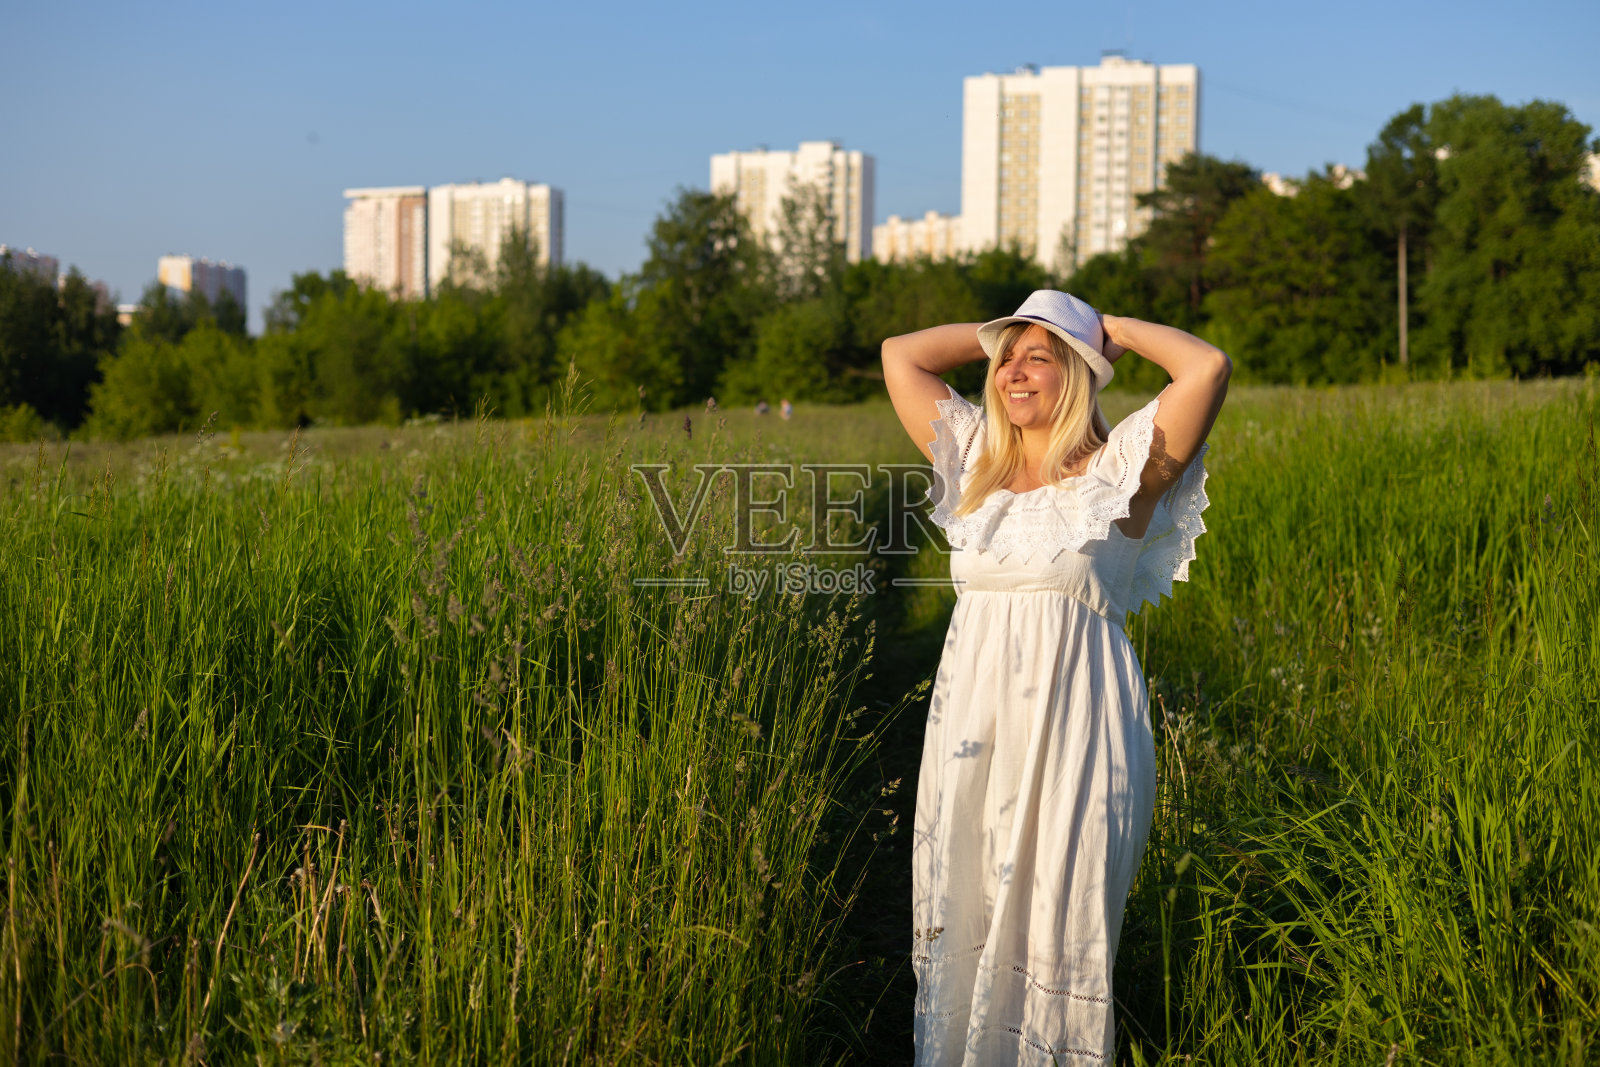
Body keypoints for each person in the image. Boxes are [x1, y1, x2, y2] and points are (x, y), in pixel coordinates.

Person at [881, 290, 1230, 1065]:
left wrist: (1109, 333)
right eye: (1006, 358)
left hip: (1079, 721)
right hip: (971, 725)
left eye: (1039, 357)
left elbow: (1204, 366)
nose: (1013, 370)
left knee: (1058, 918)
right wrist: (1004, 338)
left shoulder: (1122, 472)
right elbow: (899, 354)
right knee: (964, 898)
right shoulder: (974, 459)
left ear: (1080, 374)